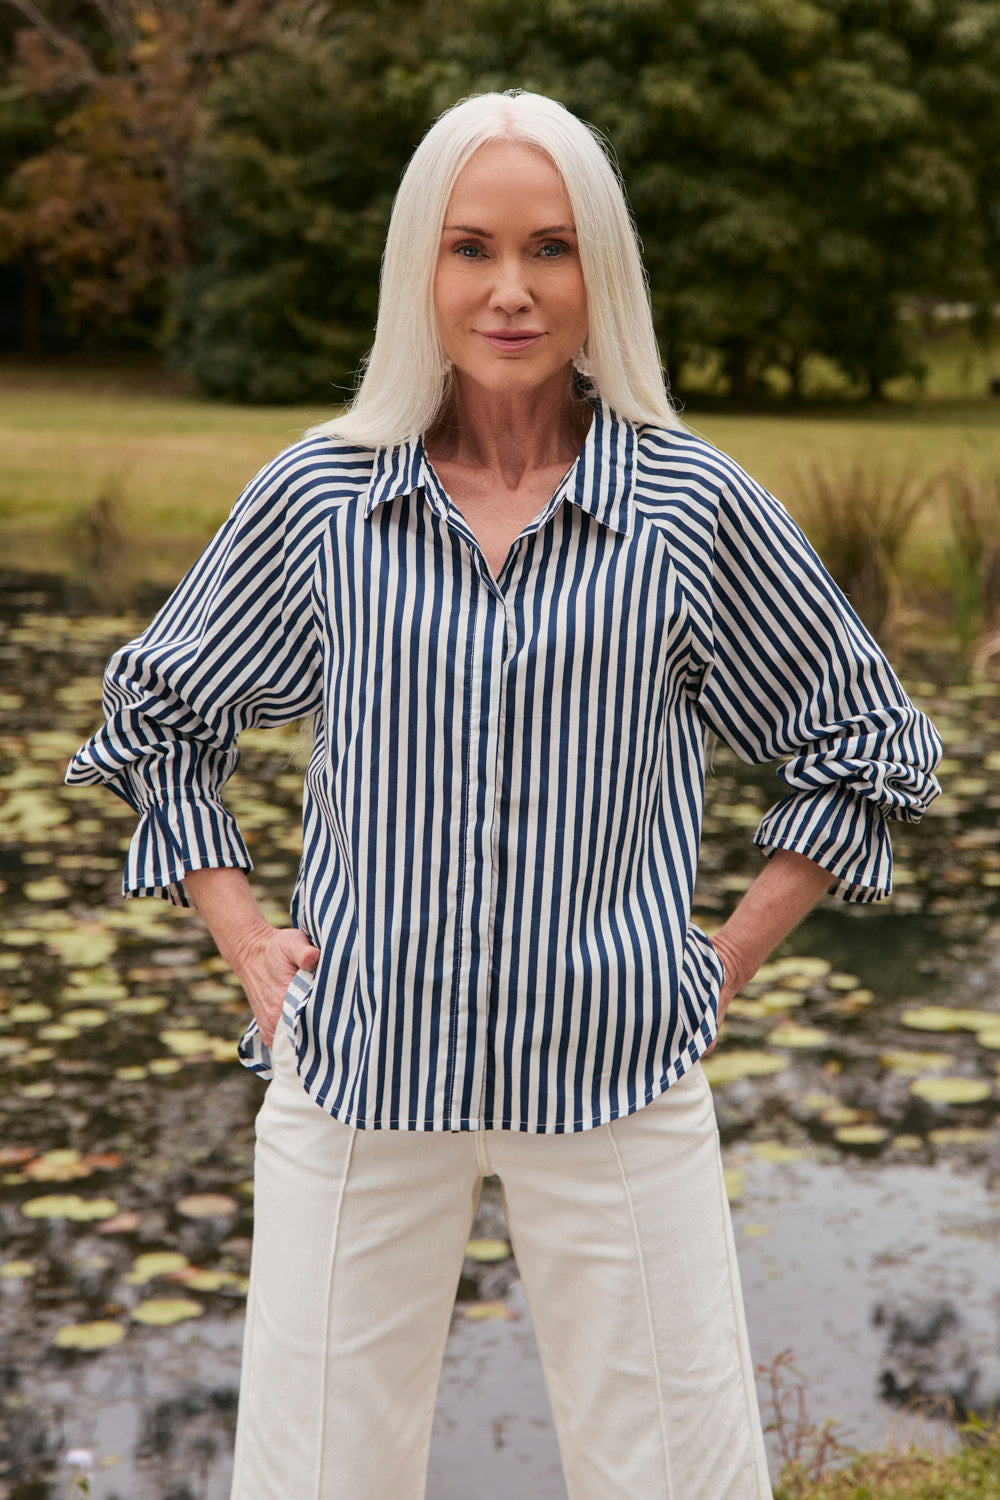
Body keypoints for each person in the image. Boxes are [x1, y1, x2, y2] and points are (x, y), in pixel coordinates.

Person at [66, 89, 942, 1500]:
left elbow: (866, 739)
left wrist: (724, 956)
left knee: (682, 1483)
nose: (513, 290)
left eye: (551, 249)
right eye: (473, 247)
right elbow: (161, 714)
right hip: (359, 1070)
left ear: (603, 270)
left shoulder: (691, 508)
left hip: (614, 1077)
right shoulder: (322, 497)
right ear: (424, 265)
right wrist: (244, 941)